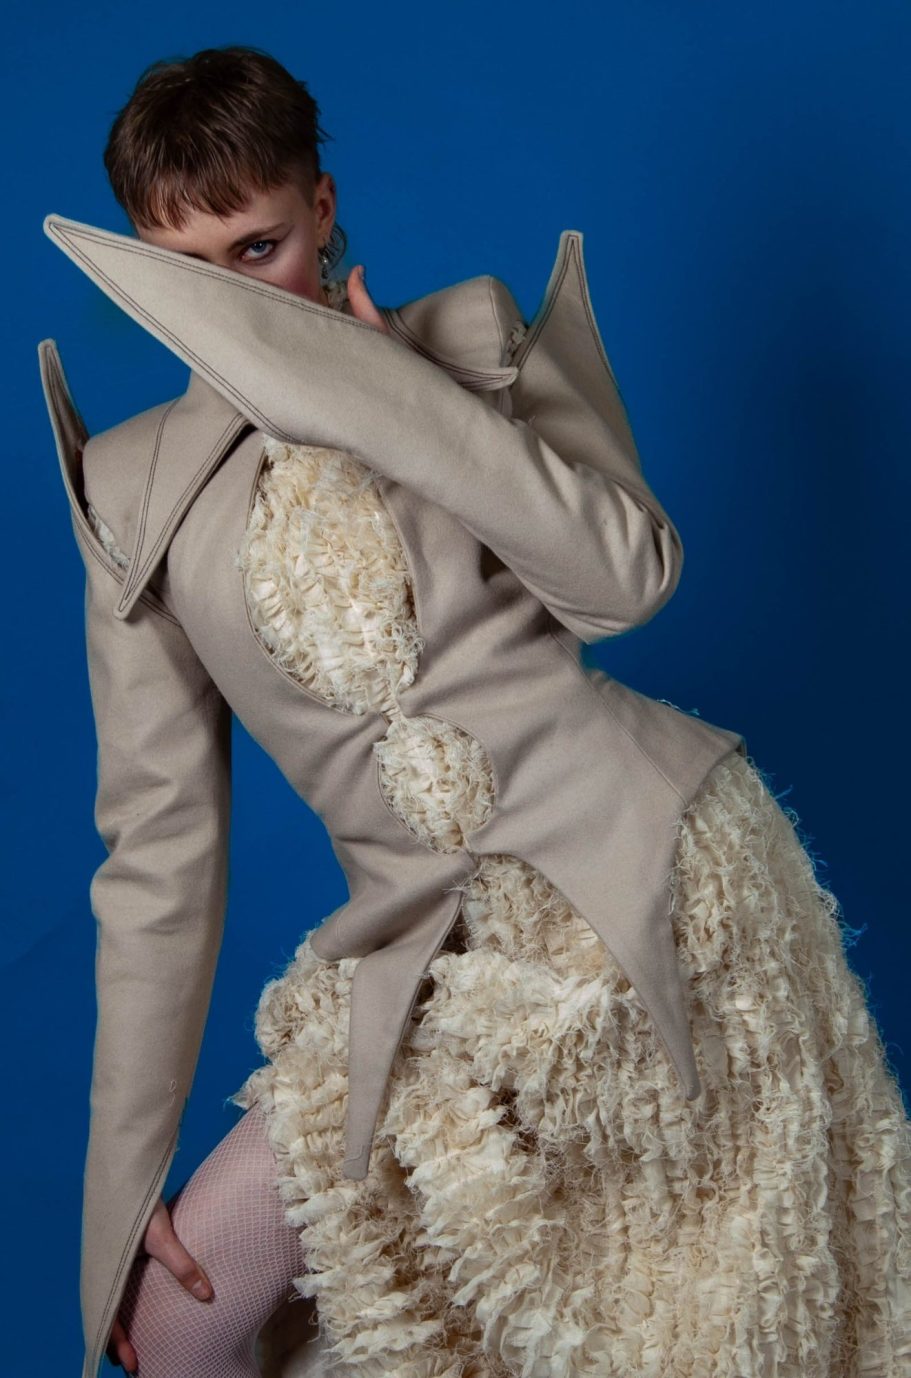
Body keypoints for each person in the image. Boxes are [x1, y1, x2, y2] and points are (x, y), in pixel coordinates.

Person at [42, 44, 911, 1378]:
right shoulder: (132, 493)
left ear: (323, 209)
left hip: (658, 905)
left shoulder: (467, 341)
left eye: (260, 247)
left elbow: (625, 583)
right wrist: (126, 1180)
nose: (233, 300)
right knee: (181, 1327)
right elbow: (158, 851)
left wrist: (396, 399)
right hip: (423, 965)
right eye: (187, 267)